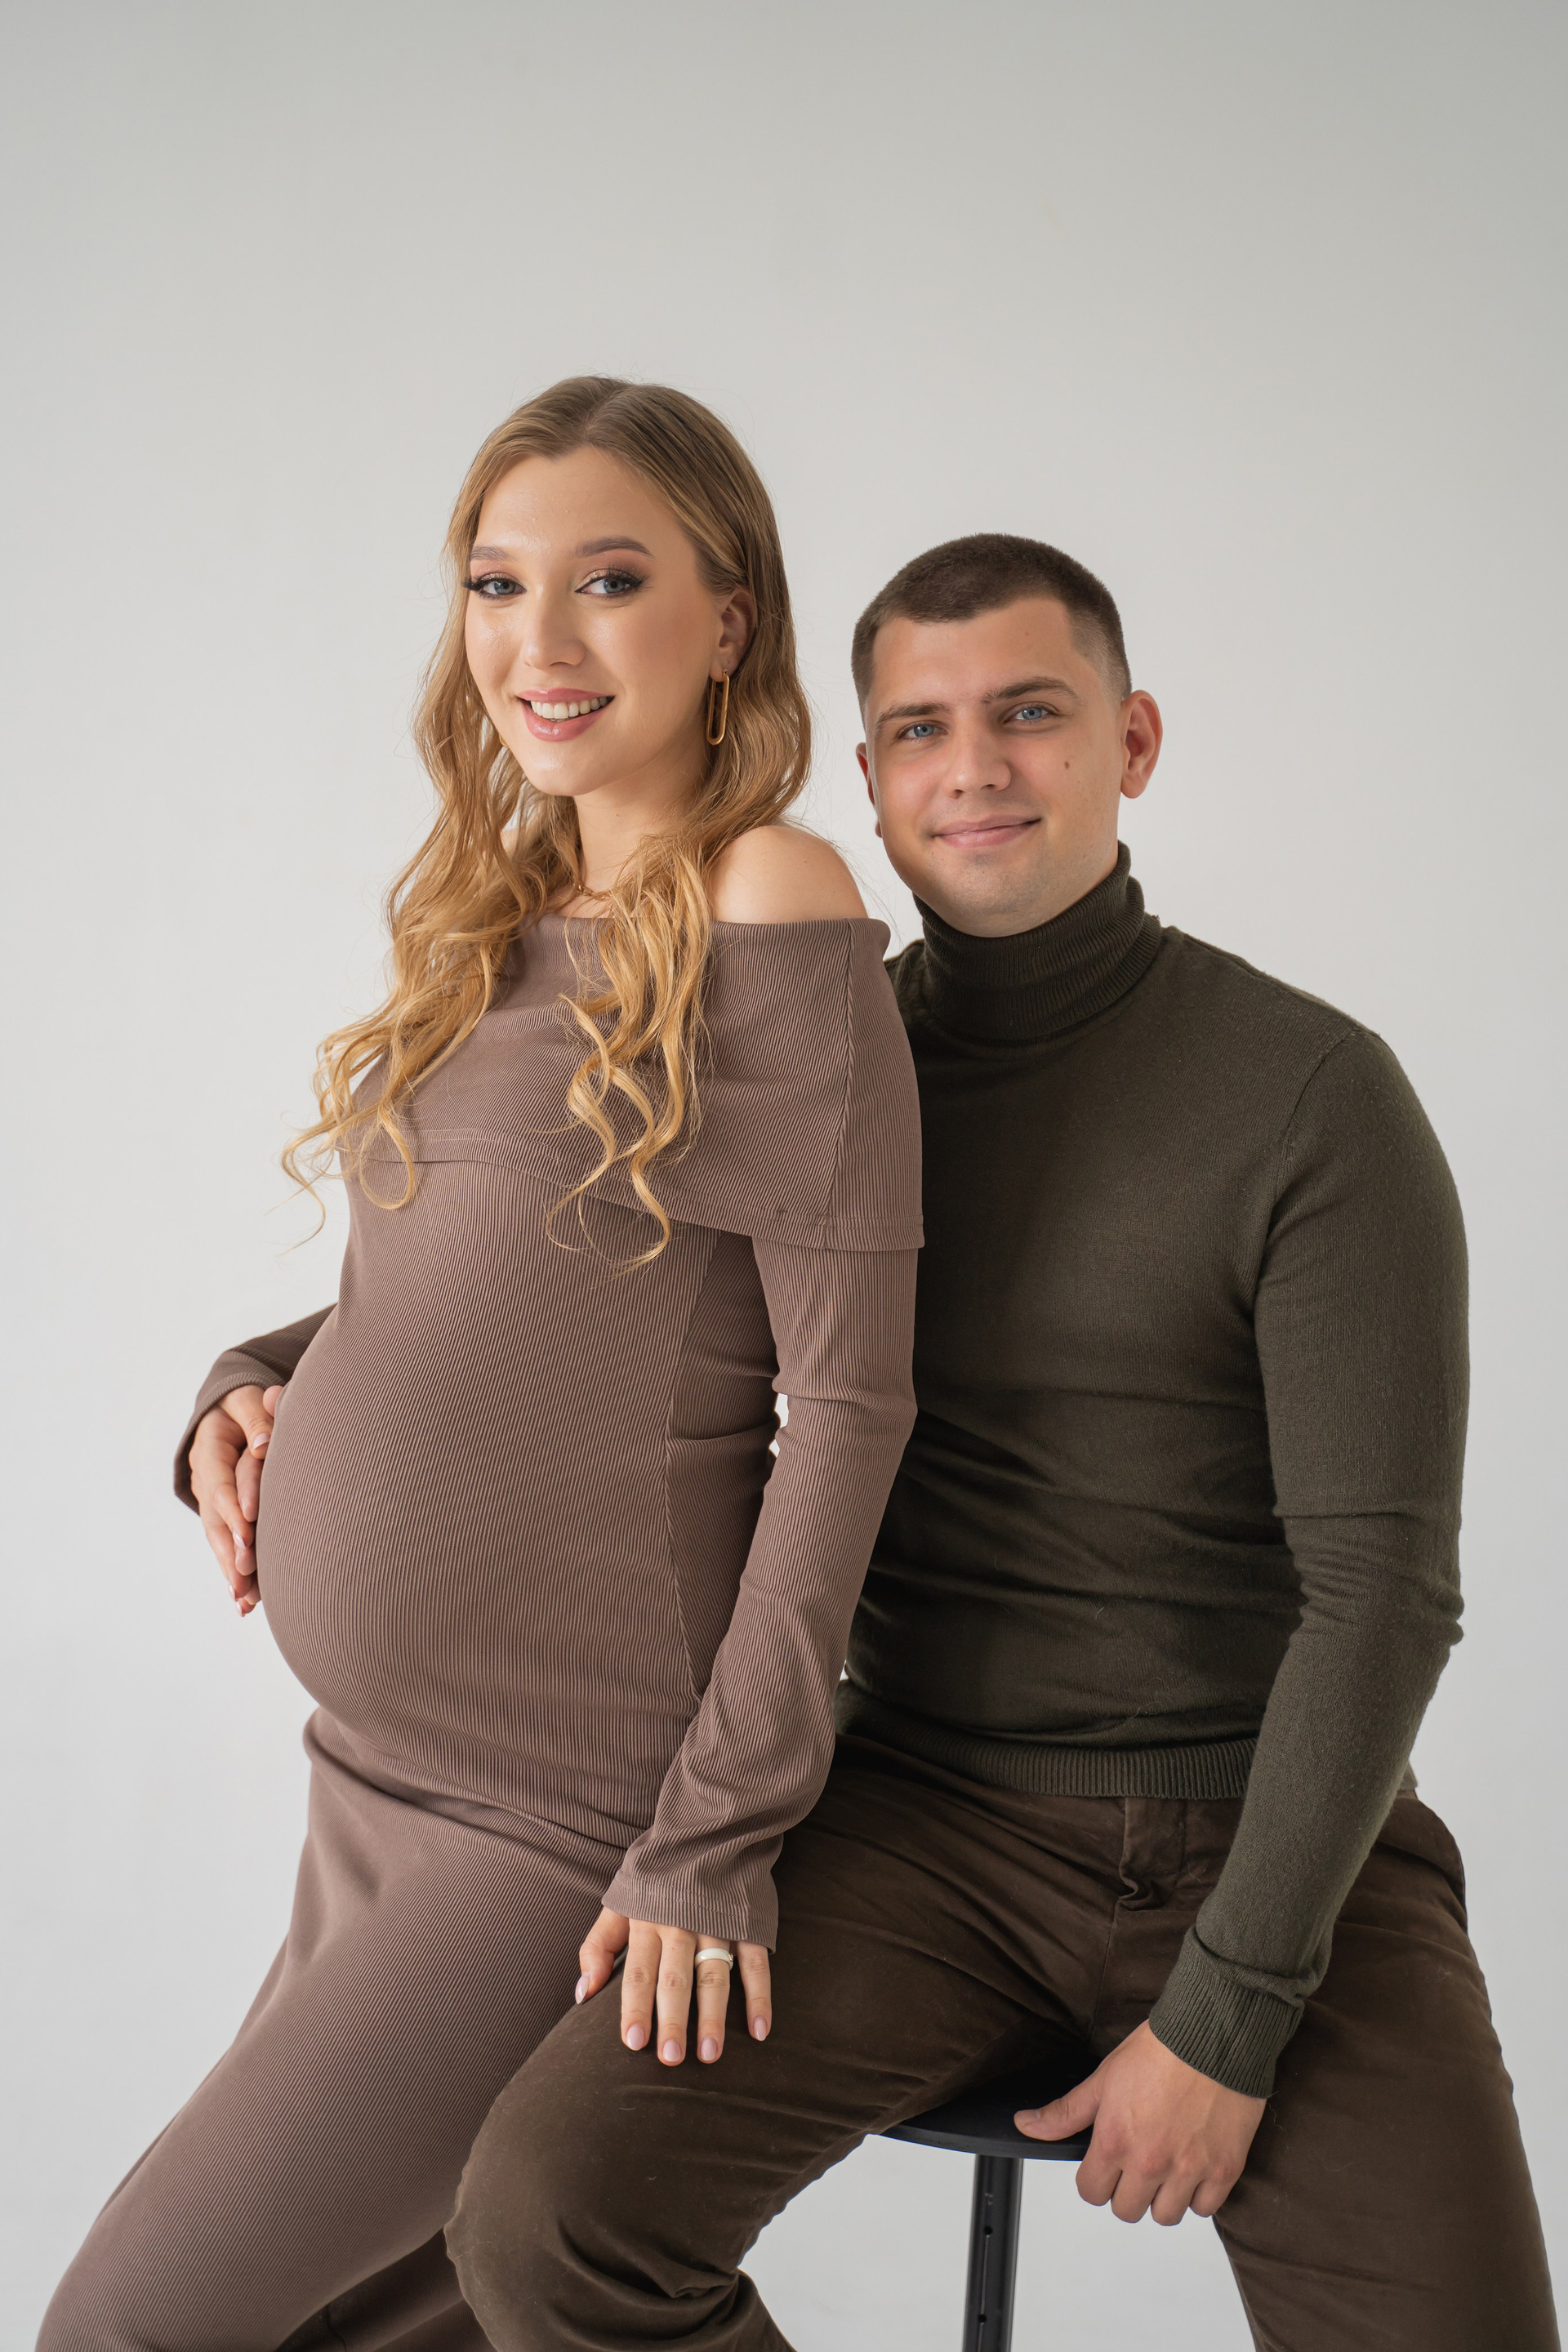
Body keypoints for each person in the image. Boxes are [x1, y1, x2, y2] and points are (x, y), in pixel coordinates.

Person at [447, 534, 1559, 2351]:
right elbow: (537, 1292)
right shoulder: (823, 1064)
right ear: (869, 780)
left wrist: (1229, 2013)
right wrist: (264, 1371)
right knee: (548, 2220)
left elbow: (1385, 1599)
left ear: (1133, 741)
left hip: (1274, 1832)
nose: (974, 768)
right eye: (920, 730)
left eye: (1030, 714)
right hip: (921, 1828)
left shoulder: (1312, 1094)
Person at [38, 378, 922, 2352]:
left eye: (608, 579)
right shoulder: (500, 915)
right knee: (405, 2326)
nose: (538, 639)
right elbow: (471, 1282)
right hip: (371, 1783)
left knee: (131, 2328)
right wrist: (246, 1379)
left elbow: (851, 1405)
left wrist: (714, 1839)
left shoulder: (771, 900)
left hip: (560, 1816)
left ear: (730, 617)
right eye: (496, 582)